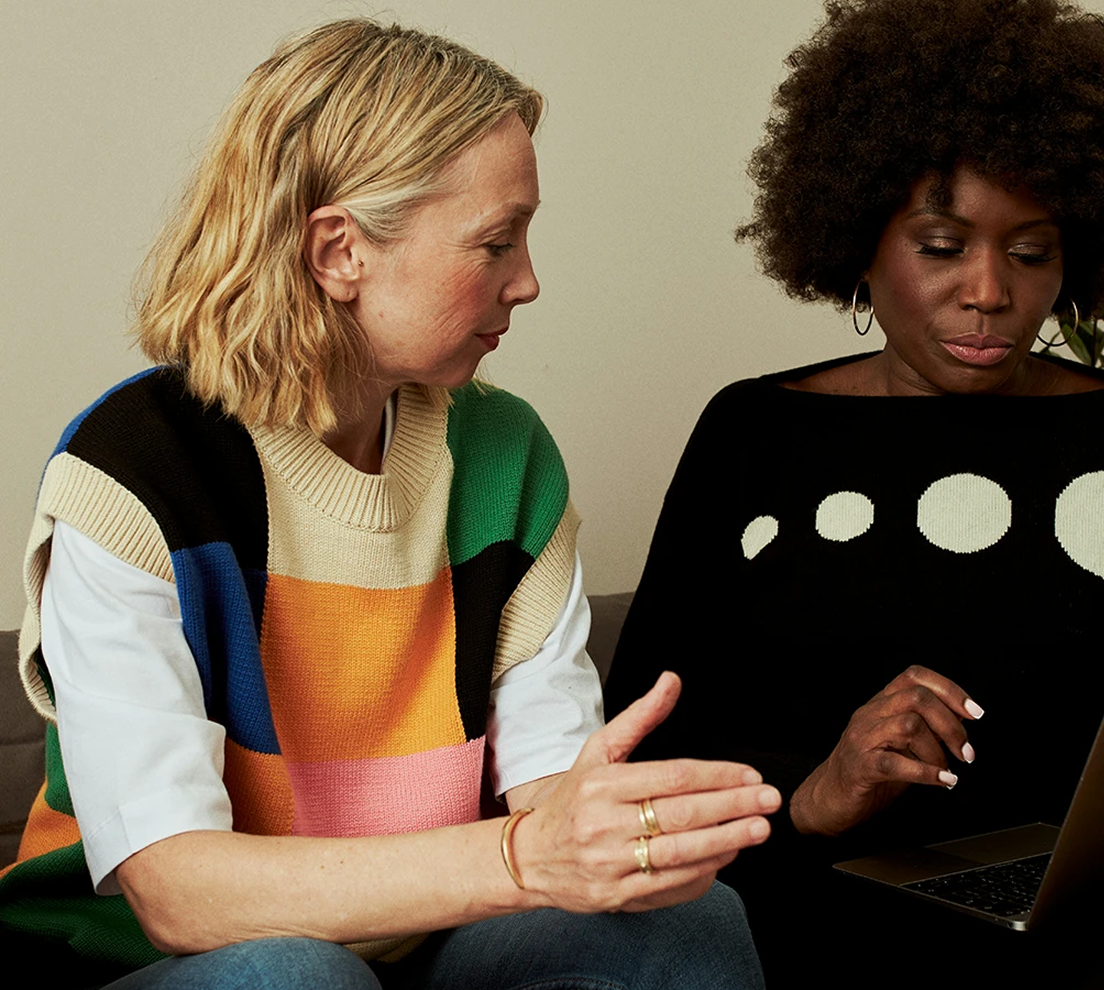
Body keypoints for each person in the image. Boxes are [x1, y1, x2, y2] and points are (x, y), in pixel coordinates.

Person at [0, 20, 780, 990]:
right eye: (495, 242)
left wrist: (615, 832)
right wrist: (523, 857)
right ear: (339, 252)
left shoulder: (508, 458)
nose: (529, 282)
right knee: (291, 981)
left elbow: (549, 800)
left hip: (422, 948)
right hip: (152, 966)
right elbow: (175, 893)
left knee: (691, 925)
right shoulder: (135, 470)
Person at [603, 1, 1104, 986]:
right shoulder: (755, 435)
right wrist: (814, 794)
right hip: (832, 918)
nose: (989, 291)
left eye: (1031, 251)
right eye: (940, 245)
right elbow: (643, 750)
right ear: (858, 240)